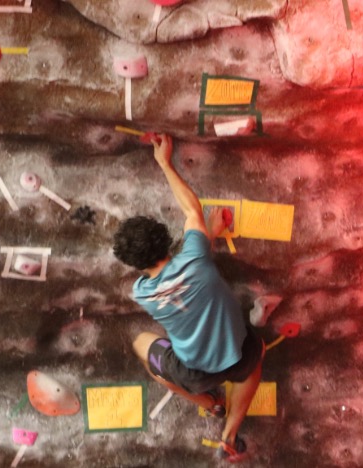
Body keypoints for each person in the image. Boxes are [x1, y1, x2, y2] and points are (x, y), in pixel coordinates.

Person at [112, 134, 264, 461]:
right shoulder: (195, 257)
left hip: (194, 375)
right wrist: (164, 163)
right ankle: (231, 433)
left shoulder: (142, 292)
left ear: (135, 265)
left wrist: (207, 232)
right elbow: (191, 209)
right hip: (239, 356)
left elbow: (194, 236)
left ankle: (210, 405)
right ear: (168, 241)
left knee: (143, 345)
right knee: (258, 352)